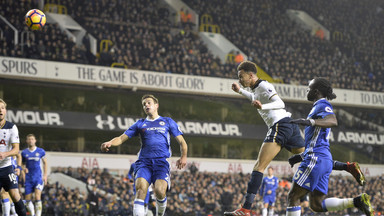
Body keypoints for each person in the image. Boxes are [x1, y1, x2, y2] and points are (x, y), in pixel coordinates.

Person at [224, 61, 365, 216]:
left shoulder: (264, 86)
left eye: (241, 77)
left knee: (259, 167)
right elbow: (255, 97)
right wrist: (240, 91)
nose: (239, 80)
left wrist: (262, 107)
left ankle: (245, 209)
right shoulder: (257, 89)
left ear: (251, 75)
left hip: (280, 126)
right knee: (311, 157)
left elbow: (279, 102)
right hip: (290, 127)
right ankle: (347, 167)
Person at [286, 77, 374, 216]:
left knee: (293, 197)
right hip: (325, 160)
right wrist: (299, 157)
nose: (307, 91)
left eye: (308, 89)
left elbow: (333, 120)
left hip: (316, 159)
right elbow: (317, 143)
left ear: (315, 91)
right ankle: (356, 202)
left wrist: (309, 121)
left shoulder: (321, 105)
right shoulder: (317, 107)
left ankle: (347, 168)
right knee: (316, 205)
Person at [100, 94, 188, 216]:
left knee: (160, 191)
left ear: (156, 105)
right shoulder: (140, 124)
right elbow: (121, 138)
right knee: (141, 190)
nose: (146, 105)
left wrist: (183, 156)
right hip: (144, 162)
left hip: (161, 162)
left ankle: (160, 214)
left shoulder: (167, 121)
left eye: (148, 103)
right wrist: (110, 142)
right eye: (144, 104)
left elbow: (182, 142)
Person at [0, 99, 27, 216]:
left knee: (16, 196)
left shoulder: (12, 127)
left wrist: (4, 154)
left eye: (2, 108)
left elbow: (16, 150)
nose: (0, 110)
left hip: (6, 168)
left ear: (5, 111)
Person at [21, 134, 48, 216]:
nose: (30, 141)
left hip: (38, 177)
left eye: (32, 139)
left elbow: (45, 163)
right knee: (27, 200)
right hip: (28, 178)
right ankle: (33, 214)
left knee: (37, 197)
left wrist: (45, 175)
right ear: (27, 141)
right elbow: (22, 164)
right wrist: (23, 172)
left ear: (35, 140)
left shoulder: (41, 151)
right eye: (29, 139)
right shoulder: (24, 152)